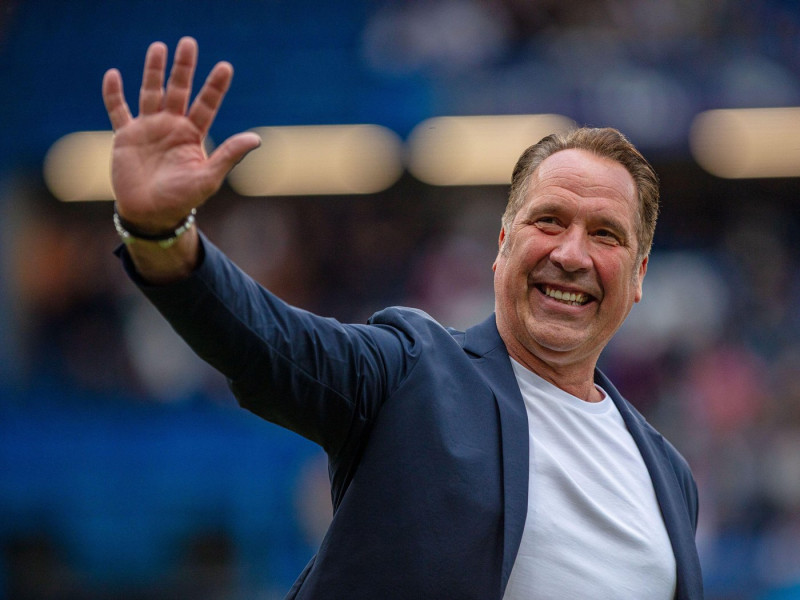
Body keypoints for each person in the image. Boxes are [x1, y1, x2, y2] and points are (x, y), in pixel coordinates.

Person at [103, 37, 703, 599]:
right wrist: (162, 235)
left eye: (604, 234)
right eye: (548, 221)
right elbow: (267, 343)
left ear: (640, 275)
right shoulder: (412, 372)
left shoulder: (670, 477)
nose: (570, 255)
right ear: (501, 246)